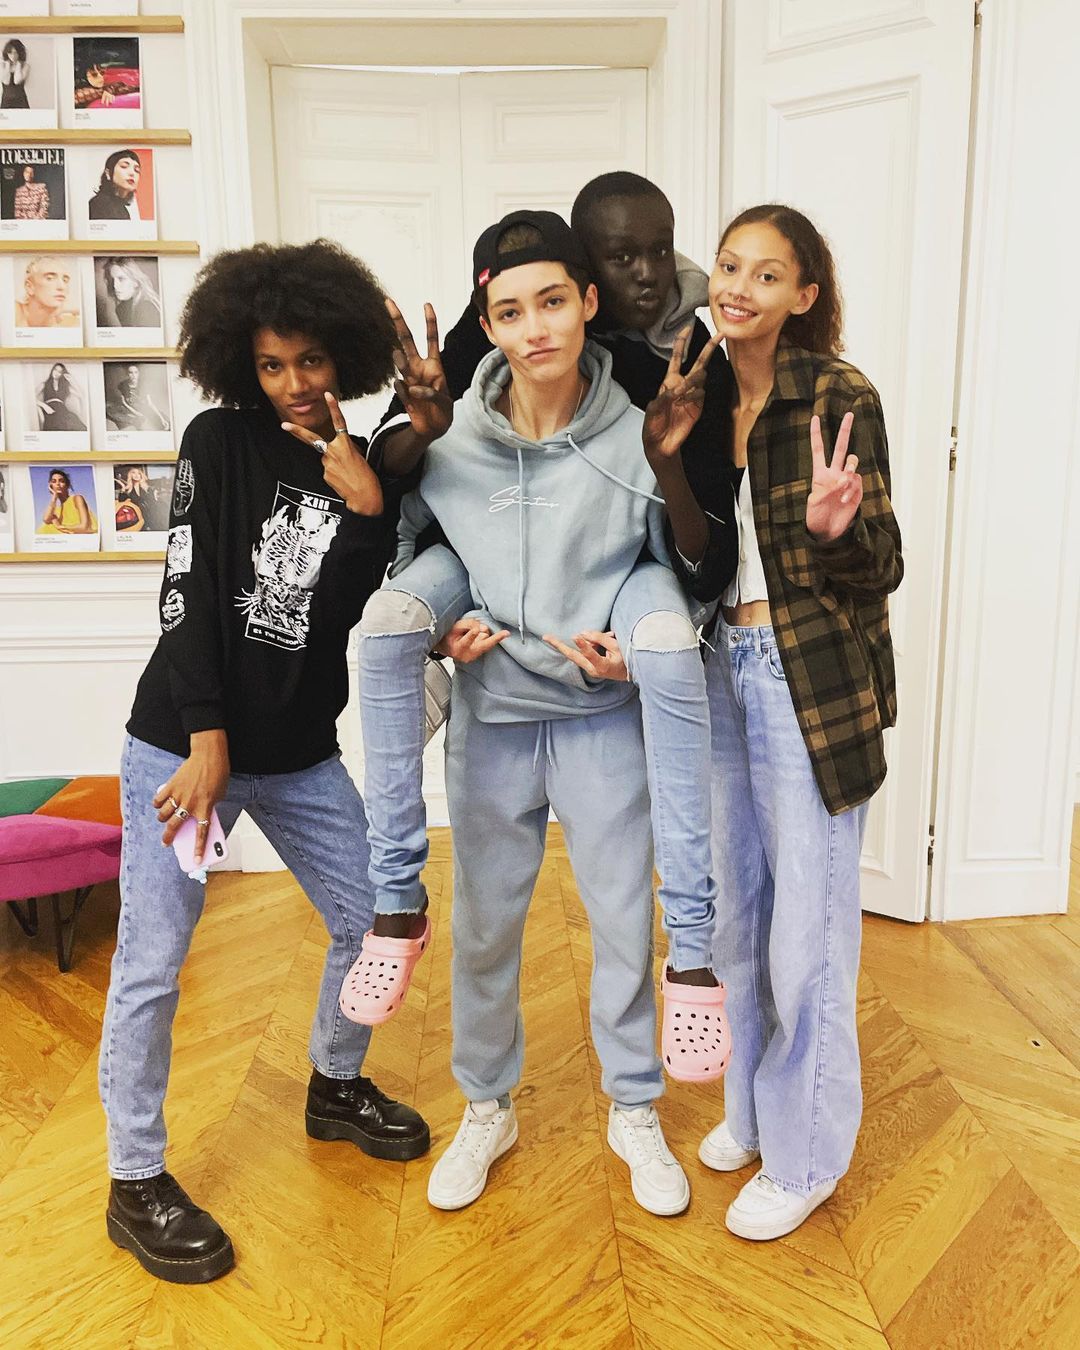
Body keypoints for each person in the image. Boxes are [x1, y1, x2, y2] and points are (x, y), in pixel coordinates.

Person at [348, 209, 721, 1218]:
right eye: (510, 312)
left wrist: (640, 648)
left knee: (621, 922)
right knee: (485, 930)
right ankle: (486, 1106)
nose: (535, 328)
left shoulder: (639, 434)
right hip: (497, 719)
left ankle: (634, 1107)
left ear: (588, 303)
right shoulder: (448, 435)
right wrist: (439, 633)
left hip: (599, 716)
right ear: (489, 324)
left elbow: (674, 568)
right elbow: (411, 550)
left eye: (552, 302)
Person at [98, 239, 430, 1286]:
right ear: (242, 361)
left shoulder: (366, 464)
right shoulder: (218, 439)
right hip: (185, 744)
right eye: (273, 364)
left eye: (311, 361)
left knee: (378, 917)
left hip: (294, 756)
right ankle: (133, 1180)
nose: (292, 383)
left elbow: (343, 615)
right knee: (154, 963)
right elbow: (188, 591)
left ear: (344, 357)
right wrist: (205, 740)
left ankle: (334, 1084)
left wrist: (367, 510)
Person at [693, 205, 903, 1241]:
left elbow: (884, 565)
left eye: (767, 275)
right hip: (718, 669)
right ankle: (751, 1113)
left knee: (807, 934)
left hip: (802, 676)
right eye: (729, 265)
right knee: (735, 917)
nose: (740, 288)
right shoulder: (696, 391)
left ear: (804, 295)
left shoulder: (835, 394)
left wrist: (834, 529)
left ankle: (807, 1153)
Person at [16, 256, 80, 328]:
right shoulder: (12, 311)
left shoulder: (69, 323)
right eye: (50, 278)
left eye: (65, 280)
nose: (62, 287)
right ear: (29, 287)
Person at [100, 257, 161, 328]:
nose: (115, 286)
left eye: (121, 279)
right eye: (112, 279)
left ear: (136, 282)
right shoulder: (123, 308)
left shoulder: (145, 308)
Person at [106, 362, 168, 431]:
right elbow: (124, 403)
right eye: (131, 373)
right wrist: (137, 414)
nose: (134, 375)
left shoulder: (143, 385)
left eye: (136, 372)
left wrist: (162, 419)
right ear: (127, 374)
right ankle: (134, 420)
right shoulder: (123, 385)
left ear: (138, 374)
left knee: (164, 420)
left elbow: (150, 403)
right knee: (109, 410)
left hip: (140, 408)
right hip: (128, 409)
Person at [39, 468, 96, 535]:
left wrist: (60, 527)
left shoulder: (77, 499)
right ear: (51, 486)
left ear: (67, 485)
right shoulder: (57, 510)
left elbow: (84, 527)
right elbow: (46, 519)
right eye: (54, 481)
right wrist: (54, 497)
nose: (57, 484)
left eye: (61, 481)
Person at [89, 148, 142, 220]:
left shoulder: (123, 210)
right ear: (108, 173)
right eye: (124, 166)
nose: (132, 173)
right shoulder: (99, 204)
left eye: (137, 170)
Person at [36, 363, 86, 432]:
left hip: (63, 411)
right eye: (55, 370)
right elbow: (31, 398)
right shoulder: (44, 384)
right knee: (56, 423)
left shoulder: (64, 387)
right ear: (52, 370)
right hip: (50, 410)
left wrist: (72, 380)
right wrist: (44, 406)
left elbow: (81, 394)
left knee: (77, 425)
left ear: (62, 374)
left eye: (59, 372)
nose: (56, 373)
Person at [1, 39, 29, 110]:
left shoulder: (25, 66)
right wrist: (7, 65)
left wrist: (18, 64)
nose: (13, 56)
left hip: (21, 101)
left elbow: (17, 81)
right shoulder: (2, 65)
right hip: (6, 101)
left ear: (20, 53)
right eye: (10, 53)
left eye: (16, 53)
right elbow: (6, 81)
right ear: (7, 53)